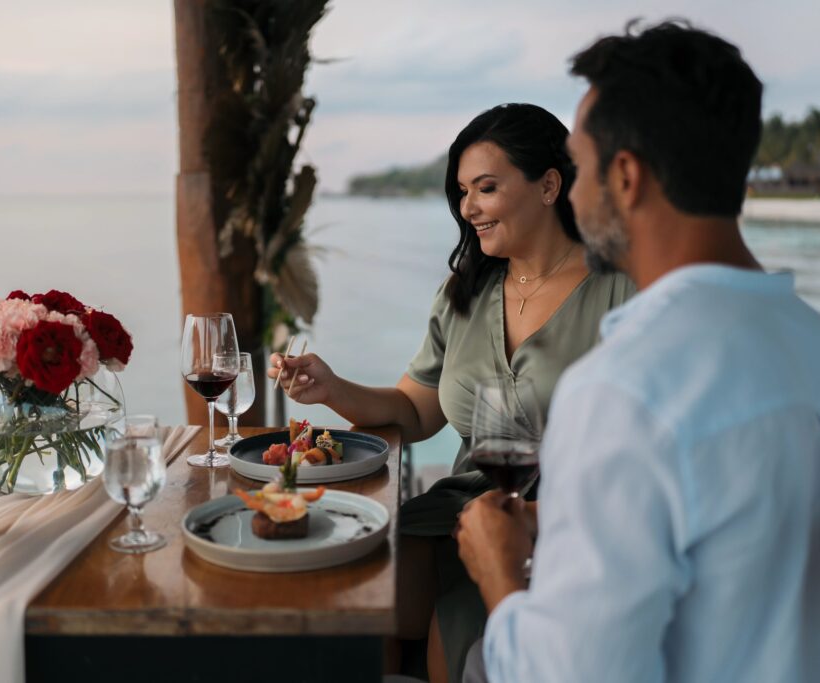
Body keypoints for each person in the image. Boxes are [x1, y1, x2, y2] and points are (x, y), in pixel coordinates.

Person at [456, 20, 820, 682]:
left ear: (626, 176)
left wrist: (501, 573)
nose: (573, 192)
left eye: (579, 169)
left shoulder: (624, 392)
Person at [269, 103, 635, 683]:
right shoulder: (464, 292)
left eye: (485, 188)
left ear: (548, 185)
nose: (468, 208)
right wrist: (330, 387)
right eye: (462, 191)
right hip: (463, 503)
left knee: (450, 615)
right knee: (362, 585)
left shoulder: (622, 292)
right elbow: (415, 412)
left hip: (569, 515)